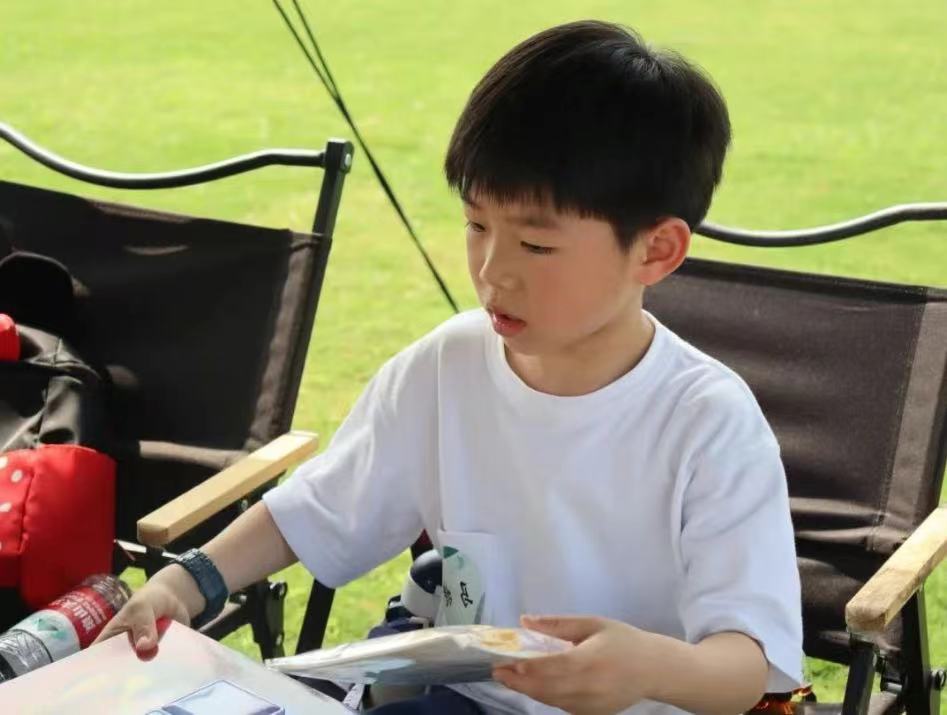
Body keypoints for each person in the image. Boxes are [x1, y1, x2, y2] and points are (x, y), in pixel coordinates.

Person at [95, 20, 803, 715]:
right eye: (476, 225)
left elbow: (750, 667)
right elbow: (318, 510)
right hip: (461, 693)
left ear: (655, 251)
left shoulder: (707, 422)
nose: (492, 270)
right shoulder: (447, 365)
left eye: (535, 244)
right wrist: (185, 585)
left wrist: (648, 667)